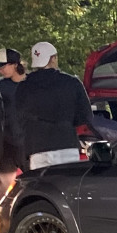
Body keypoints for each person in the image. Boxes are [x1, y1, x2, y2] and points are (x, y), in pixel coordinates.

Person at [16, 41, 93, 170]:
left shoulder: (23, 87)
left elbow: (19, 119)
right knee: (68, 186)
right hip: (66, 144)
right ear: (53, 59)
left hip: (37, 148)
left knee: (42, 187)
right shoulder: (72, 83)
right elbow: (85, 117)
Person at [0, 48, 27, 199]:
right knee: (0, 189)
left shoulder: (32, 85)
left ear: (15, 64)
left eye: (2, 65)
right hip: (8, 146)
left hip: (30, 146)